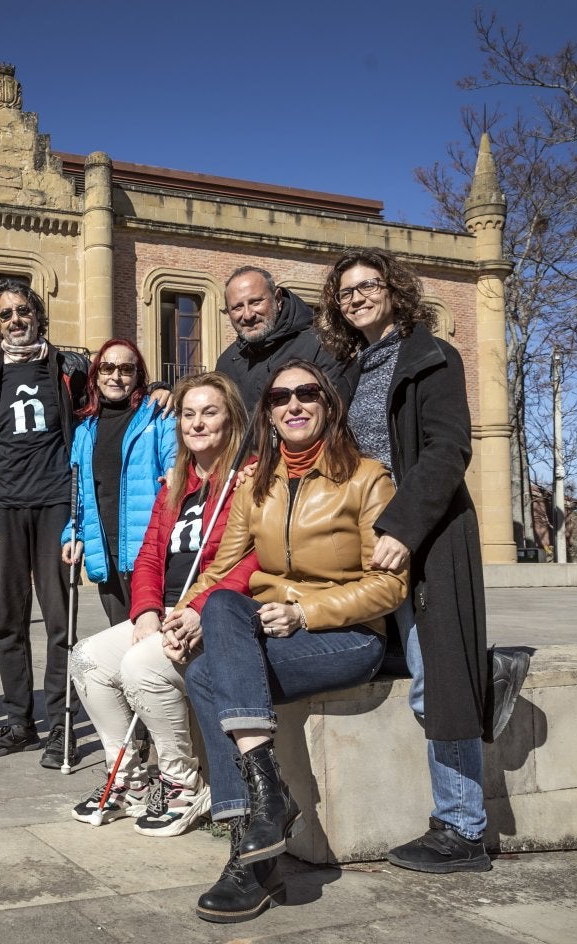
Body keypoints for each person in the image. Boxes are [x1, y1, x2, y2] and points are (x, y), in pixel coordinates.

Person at [314, 248, 531, 873]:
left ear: (394, 290)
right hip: (367, 546)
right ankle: (490, 669)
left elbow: (447, 449)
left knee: (439, 684)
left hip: (427, 541)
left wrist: (403, 529)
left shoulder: (432, 355)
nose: (357, 298)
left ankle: (461, 829)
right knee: (403, 664)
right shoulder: (350, 371)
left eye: (368, 286)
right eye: (345, 292)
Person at [166, 360, 408, 923]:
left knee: (208, 673)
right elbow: (221, 570)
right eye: (280, 397)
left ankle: (252, 852)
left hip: (348, 639)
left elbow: (390, 584)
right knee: (221, 609)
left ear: (328, 405)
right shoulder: (258, 485)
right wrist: (182, 613)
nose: (293, 405)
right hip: (271, 631)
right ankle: (263, 807)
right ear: (268, 414)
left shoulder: (368, 478)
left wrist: (305, 611)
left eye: (306, 394)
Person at [69, 371, 253, 837]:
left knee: (141, 668)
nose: (197, 422)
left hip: (210, 614)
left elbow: (254, 558)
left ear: (231, 419)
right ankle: (127, 778)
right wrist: (145, 610)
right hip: (164, 609)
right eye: (188, 414)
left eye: (209, 412)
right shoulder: (176, 483)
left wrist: (198, 607)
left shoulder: (249, 479)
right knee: (87, 659)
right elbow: (151, 552)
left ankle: (182, 784)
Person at [0, 278, 92, 768]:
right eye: (7, 314)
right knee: (8, 621)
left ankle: (61, 725)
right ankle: (20, 721)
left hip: (56, 505)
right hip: (2, 510)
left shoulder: (71, 368)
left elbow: (121, 390)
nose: (17, 320)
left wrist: (160, 390)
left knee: (61, 621)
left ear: (38, 316)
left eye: (24, 311)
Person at [61, 338, 177, 625]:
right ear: (96, 376)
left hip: (148, 550)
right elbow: (80, 492)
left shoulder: (158, 417)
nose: (115, 376)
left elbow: (175, 464)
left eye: (126, 369)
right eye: (107, 368)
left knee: (152, 640)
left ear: (138, 376)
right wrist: (72, 534)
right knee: (119, 637)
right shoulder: (85, 430)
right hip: (105, 551)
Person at [216, 265, 344, 410]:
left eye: (256, 302)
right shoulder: (225, 364)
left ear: (277, 299)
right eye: (237, 307)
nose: (248, 315)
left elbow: (336, 416)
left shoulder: (322, 346)